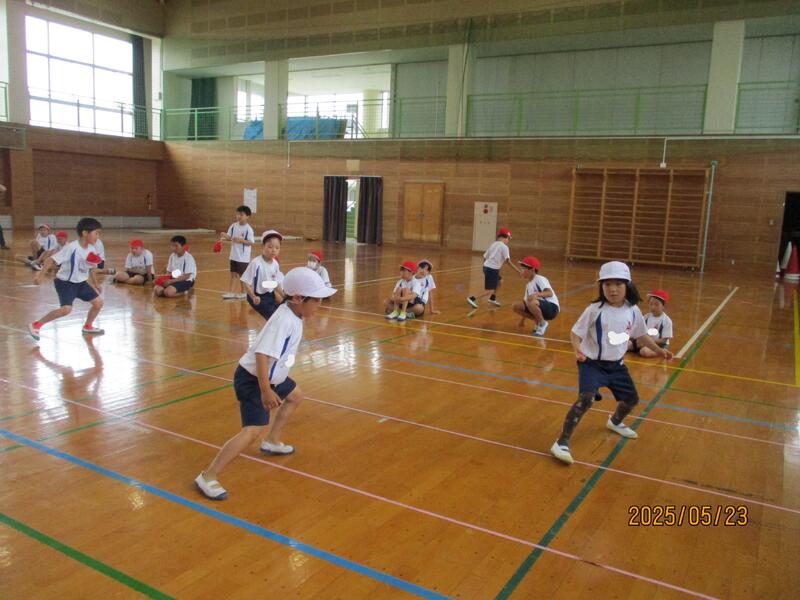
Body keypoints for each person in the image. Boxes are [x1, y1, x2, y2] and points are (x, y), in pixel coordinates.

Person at [194, 267, 337, 500]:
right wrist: (266, 391)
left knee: (295, 396)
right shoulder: (284, 320)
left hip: (272, 377)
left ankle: (271, 441)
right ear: (298, 298)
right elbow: (262, 355)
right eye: (316, 300)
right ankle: (208, 476)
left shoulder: (294, 315)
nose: (319, 305)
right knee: (252, 431)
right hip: (254, 379)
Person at [550, 261, 673, 465]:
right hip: (591, 364)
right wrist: (577, 349)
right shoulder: (594, 310)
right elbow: (575, 333)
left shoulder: (633, 310)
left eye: (618, 284)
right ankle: (561, 442)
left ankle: (615, 422)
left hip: (617, 366)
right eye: (607, 284)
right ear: (601, 286)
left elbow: (641, 335)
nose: (613, 289)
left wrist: (659, 351)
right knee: (586, 399)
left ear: (627, 286)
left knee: (632, 400)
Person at [28, 218, 105, 341]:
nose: (98, 236)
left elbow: (90, 268)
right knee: (66, 310)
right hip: (65, 283)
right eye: (96, 233)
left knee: (98, 303)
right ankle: (36, 325)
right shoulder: (72, 247)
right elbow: (51, 259)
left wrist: (96, 284)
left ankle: (88, 326)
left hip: (81, 283)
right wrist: (40, 276)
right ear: (85, 233)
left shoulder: (92, 249)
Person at [467, 227, 521, 308]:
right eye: (508, 238)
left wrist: (485, 267)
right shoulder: (504, 247)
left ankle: (492, 298)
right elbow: (508, 262)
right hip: (492, 270)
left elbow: (485, 257)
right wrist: (518, 271)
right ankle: (472, 298)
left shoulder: (493, 244)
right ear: (505, 237)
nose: (508, 241)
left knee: (500, 281)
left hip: (488, 267)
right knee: (489, 290)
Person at [241, 230, 284, 321]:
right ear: (263, 246)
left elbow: (275, 284)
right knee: (274, 319)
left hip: (270, 295)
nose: (273, 250)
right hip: (257, 296)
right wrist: (253, 297)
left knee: (281, 314)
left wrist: (284, 296)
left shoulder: (275, 264)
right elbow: (245, 282)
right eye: (270, 247)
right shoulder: (256, 263)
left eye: (277, 248)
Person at [512, 256, 559, 337]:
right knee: (516, 306)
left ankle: (542, 324)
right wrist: (522, 320)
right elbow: (526, 304)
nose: (521, 271)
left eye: (523, 269)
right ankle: (538, 321)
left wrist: (536, 294)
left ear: (532, 270)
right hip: (538, 306)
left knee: (531, 301)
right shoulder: (528, 286)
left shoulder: (539, 279)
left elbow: (549, 293)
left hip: (552, 308)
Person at [220, 205, 255, 299]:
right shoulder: (233, 226)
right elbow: (230, 237)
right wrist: (225, 235)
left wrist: (241, 240)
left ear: (247, 216)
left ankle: (244, 293)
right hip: (233, 255)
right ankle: (231, 292)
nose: (239, 216)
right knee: (233, 274)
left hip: (243, 257)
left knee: (242, 276)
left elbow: (251, 242)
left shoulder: (248, 229)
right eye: (238, 214)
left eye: (241, 214)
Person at [632, 289, 673, 357]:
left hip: (658, 345)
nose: (653, 307)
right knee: (627, 345)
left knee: (644, 351)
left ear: (664, 306)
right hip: (645, 342)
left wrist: (649, 343)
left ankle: (662, 352)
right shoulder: (646, 317)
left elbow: (664, 340)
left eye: (656, 304)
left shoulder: (666, 321)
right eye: (651, 304)